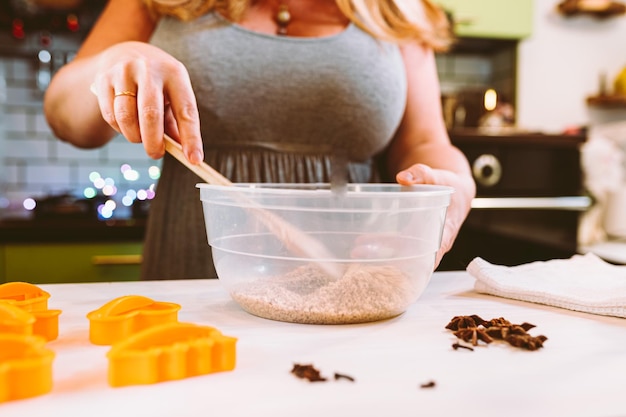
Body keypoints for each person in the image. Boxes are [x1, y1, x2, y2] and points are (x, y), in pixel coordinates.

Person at [43, 0, 476, 280]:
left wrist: (454, 180)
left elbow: (424, 141)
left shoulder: (396, 10)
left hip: (355, 277)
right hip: (192, 276)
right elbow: (64, 114)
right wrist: (115, 60)